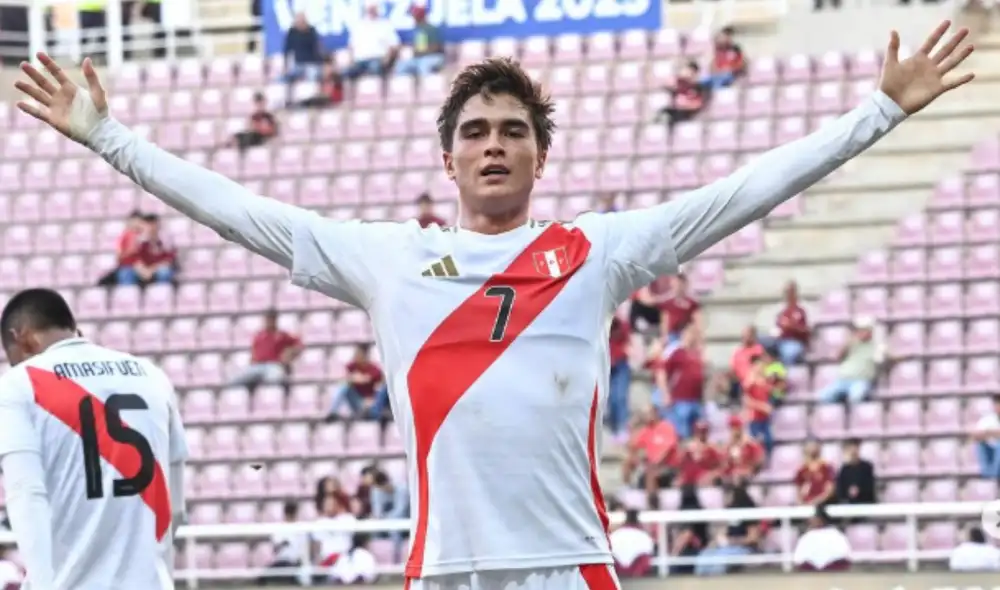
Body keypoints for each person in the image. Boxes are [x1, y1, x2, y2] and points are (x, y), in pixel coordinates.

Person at [12, 23, 974, 588]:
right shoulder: (389, 260)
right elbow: (238, 210)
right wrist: (110, 138)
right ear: (449, 158)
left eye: (514, 131)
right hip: (444, 569)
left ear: (539, 155)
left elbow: (741, 194)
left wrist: (878, 112)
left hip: (571, 564)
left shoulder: (593, 253)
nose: (495, 145)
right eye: (475, 132)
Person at [0, 288, 188, 590]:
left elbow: (26, 494)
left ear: (19, 336)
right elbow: (176, 505)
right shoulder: (152, 376)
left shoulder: (18, 386)